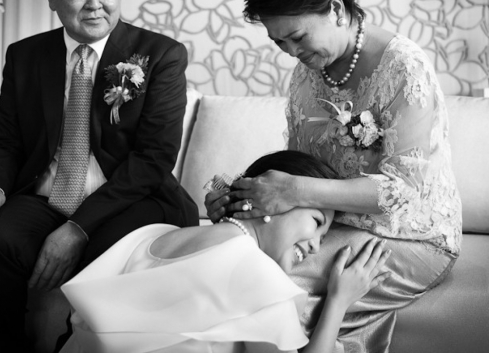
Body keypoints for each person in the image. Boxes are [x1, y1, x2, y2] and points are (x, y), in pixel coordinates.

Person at [206, 0, 462, 353]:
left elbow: (404, 193)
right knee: (230, 263)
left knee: (270, 284)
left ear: (338, 9)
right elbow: (299, 169)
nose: (290, 51)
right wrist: (242, 200)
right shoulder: (304, 76)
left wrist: (294, 190)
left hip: (411, 235)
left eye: (298, 37)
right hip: (332, 224)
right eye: (278, 41)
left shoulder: (404, 68)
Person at [0, 0, 199, 353]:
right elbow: (5, 138)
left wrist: (78, 228)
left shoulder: (160, 56)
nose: (94, 4)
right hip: (45, 199)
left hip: (131, 199)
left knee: (111, 252)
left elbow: (153, 160)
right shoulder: (25, 55)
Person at [58, 150, 391, 353]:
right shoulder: (257, 276)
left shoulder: (155, 236)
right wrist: (338, 301)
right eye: (316, 221)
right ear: (268, 199)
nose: (317, 245)